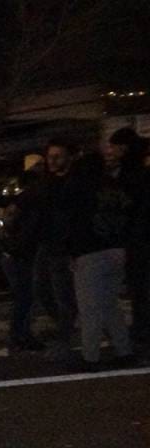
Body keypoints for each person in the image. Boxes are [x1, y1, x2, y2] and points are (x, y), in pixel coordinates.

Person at [67, 129, 139, 370]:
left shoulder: (81, 189)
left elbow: (74, 223)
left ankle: (91, 357)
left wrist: (72, 252)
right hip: (117, 250)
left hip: (90, 252)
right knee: (109, 304)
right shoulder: (116, 187)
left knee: (90, 308)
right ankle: (124, 350)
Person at [0, 156, 46, 352]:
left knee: (25, 296)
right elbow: (9, 219)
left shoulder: (21, 193)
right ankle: (19, 336)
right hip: (17, 251)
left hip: (17, 250)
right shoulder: (24, 194)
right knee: (24, 296)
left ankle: (22, 335)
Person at [33, 140, 82, 354]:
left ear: (69, 157)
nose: (52, 161)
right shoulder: (48, 181)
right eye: (50, 157)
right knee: (41, 288)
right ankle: (67, 325)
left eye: (57, 156)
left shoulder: (75, 182)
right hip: (47, 243)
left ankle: (66, 336)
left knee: (63, 293)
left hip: (63, 245)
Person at [105, 128, 150, 346]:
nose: (110, 152)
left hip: (136, 239)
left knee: (140, 287)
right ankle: (142, 327)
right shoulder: (141, 170)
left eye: (113, 147)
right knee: (141, 287)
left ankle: (142, 329)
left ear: (123, 148)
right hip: (140, 237)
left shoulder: (128, 174)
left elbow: (125, 207)